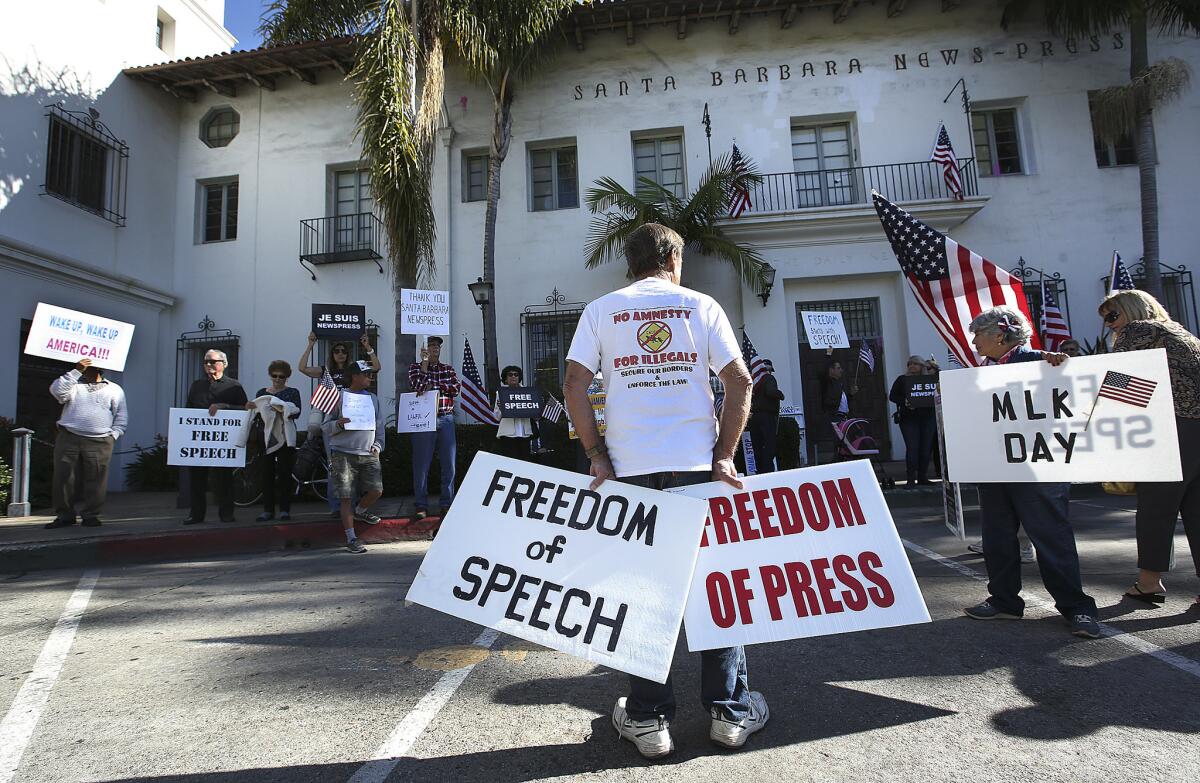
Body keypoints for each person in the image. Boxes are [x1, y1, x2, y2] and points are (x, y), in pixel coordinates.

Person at [563, 222, 767, 760]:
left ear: (629, 264)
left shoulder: (602, 310)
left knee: (642, 595)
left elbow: (574, 385)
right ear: (675, 261)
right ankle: (730, 713)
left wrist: (596, 455)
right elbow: (740, 381)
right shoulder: (702, 307)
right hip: (697, 471)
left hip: (631, 473)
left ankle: (650, 720)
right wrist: (723, 455)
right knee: (715, 589)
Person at [961, 306, 1100, 639]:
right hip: (995, 467)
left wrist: (1058, 366)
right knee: (997, 538)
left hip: (1039, 466)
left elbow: (1072, 396)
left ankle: (1077, 609)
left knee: (1051, 537)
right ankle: (1005, 601)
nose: (974, 341)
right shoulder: (982, 370)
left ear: (998, 334)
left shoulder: (1042, 361)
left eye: (978, 335)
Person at [1100, 290, 1200, 607]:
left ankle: (1148, 582)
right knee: (1196, 511)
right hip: (1195, 426)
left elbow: (1116, 380)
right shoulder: (1181, 333)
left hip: (1174, 429)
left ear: (1133, 310)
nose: (1110, 326)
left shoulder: (1139, 329)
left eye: (1113, 316)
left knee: (1156, 509)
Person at [299, 331, 380, 517]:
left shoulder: (354, 371)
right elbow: (302, 368)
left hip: (356, 419)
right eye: (337, 350)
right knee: (334, 465)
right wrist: (310, 344)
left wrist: (368, 346)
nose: (340, 353)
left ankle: (355, 506)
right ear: (332, 354)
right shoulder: (325, 370)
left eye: (344, 350)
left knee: (357, 464)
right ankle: (336, 507)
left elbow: (375, 367)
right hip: (335, 418)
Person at [44, 358, 127, 529]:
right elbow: (57, 392)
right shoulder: (73, 384)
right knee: (63, 476)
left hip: (100, 439)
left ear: (99, 369)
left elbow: (121, 414)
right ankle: (65, 515)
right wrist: (76, 371)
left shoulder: (114, 389)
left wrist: (115, 434)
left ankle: (91, 515)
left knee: (96, 478)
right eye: (85, 369)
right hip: (69, 436)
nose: (88, 371)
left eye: (90, 368)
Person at [322, 362, 384, 554]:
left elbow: (379, 425)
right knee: (346, 497)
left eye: (371, 374)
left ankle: (360, 512)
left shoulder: (373, 398)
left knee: (376, 490)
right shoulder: (339, 397)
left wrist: (378, 445)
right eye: (366, 374)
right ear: (354, 376)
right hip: (343, 453)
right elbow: (325, 427)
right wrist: (338, 425)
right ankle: (351, 538)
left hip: (368, 453)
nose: (370, 378)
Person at [185, 349, 247, 525]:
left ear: (224, 364)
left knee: (224, 479)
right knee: (196, 479)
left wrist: (224, 406)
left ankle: (226, 514)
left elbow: (246, 408)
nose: (209, 365)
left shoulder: (234, 385)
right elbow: (187, 410)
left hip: (223, 442)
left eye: (212, 361)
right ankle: (196, 515)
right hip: (199, 440)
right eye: (206, 362)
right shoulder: (196, 385)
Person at [408, 335, 460, 520]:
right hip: (423, 420)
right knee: (421, 465)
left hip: (445, 418)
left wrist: (434, 385)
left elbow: (455, 388)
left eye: (437, 345)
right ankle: (421, 505)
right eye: (431, 345)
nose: (435, 348)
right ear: (424, 349)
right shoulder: (415, 368)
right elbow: (419, 387)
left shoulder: (447, 368)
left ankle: (446, 503)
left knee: (449, 464)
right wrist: (424, 366)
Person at [247, 360, 302, 522]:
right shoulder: (261, 393)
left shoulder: (293, 392)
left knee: (285, 474)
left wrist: (280, 408)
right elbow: (257, 414)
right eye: (274, 376)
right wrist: (251, 407)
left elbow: (296, 412)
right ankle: (267, 510)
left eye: (282, 376)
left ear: (287, 377)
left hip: (285, 437)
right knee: (266, 474)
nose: (278, 379)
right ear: (270, 376)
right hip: (266, 437)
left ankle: (285, 510)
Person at [889, 356, 936, 486]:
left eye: (915, 363)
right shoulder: (902, 380)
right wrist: (904, 401)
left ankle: (922, 477)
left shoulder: (929, 380)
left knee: (925, 449)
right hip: (909, 419)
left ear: (922, 366)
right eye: (910, 364)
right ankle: (910, 479)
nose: (912, 366)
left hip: (928, 418)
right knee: (912, 448)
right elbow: (892, 396)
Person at [747, 359, 785, 473]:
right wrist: (780, 394)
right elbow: (770, 392)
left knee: (757, 446)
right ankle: (767, 471)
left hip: (754, 417)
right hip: (767, 416)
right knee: (769, 445)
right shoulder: (769, 378)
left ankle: (759, 471)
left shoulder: (754, 381)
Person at [493, 365, 534, 461]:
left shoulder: (528, 393)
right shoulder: (501, 393)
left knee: (525, 462)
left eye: (516, 374)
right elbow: (496, 417)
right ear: (505, 379)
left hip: (524, 434)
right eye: (510, 375)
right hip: (508, 434)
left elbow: (535, 414)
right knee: (510, 463)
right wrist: (502, 408)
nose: (513, 377)